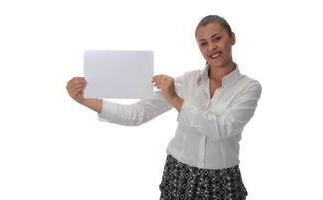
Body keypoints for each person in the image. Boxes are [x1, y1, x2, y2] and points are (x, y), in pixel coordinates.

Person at [66, 15, 261, 200]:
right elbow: (137, 114)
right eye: (203, 43)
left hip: (222, 180)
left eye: (217, 38)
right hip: (179, 174)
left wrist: (175, 99)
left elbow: (222, 128)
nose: (211, 47)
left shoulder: (249, 88)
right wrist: (84, 99)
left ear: (232, 38)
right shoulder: (187, 81)